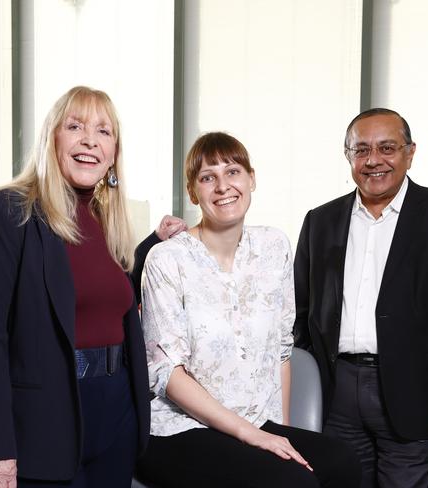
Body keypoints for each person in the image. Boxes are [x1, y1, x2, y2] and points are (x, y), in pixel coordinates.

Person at [0, 85, 185, 488]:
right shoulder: (8, 211)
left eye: (104, 131)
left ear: (114, 153)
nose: (89, 141)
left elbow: (97, 297)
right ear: (52, 138)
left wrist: (150, 244)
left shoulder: (104, 220)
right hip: (43, 427)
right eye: (75, 126)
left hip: (117, 418)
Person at [136, 132, 361, 488]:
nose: (223, 186)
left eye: (233, 172)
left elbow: (281, 352)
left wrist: (282, 435)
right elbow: (168, 375)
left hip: (257, 420)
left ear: (251, 179)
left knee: (343, 464)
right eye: (208, 177)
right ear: (193, 192)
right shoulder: (167, 259)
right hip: (181, 430)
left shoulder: (274, 247)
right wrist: (253, 437)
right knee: (292, 483)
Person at [293, 108, 428, 487]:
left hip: (414, 395)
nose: (373, 160)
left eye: (387, 148)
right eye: (361, 149)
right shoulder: (320, 220)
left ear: (409, 153)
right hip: (335, 397)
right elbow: (301, 314)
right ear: (348, 155)